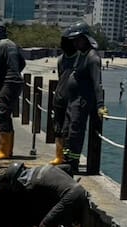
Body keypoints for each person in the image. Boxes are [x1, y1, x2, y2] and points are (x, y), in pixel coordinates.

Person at [59, 23, 106, 175]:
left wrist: (100, 105)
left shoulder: (92, 58)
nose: (75, 43)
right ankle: (66, 160)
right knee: (66, 131)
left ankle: (73, 164)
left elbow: (97, 83)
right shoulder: (81, 55)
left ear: (85, 39)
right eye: (73, 40)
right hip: (71, 101)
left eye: (77, 40)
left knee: (75, 133)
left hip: (81, 101)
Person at [0, 21, 24, 160]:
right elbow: (23, 63)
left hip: (9, 82)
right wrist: (16, 72)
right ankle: (8, 150)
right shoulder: (13, 44)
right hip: (17, 81)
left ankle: (4, 150)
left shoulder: (0, 46)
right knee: (6, 114)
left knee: (1, 114)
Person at [49, 35, 76, 166]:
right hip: (59, 97)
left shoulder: (79, 59)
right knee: (58, 127)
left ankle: (67, 156)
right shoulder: (61, 59)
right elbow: (61, 76)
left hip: (73, 98)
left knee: (69, 129)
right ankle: (59, 156)